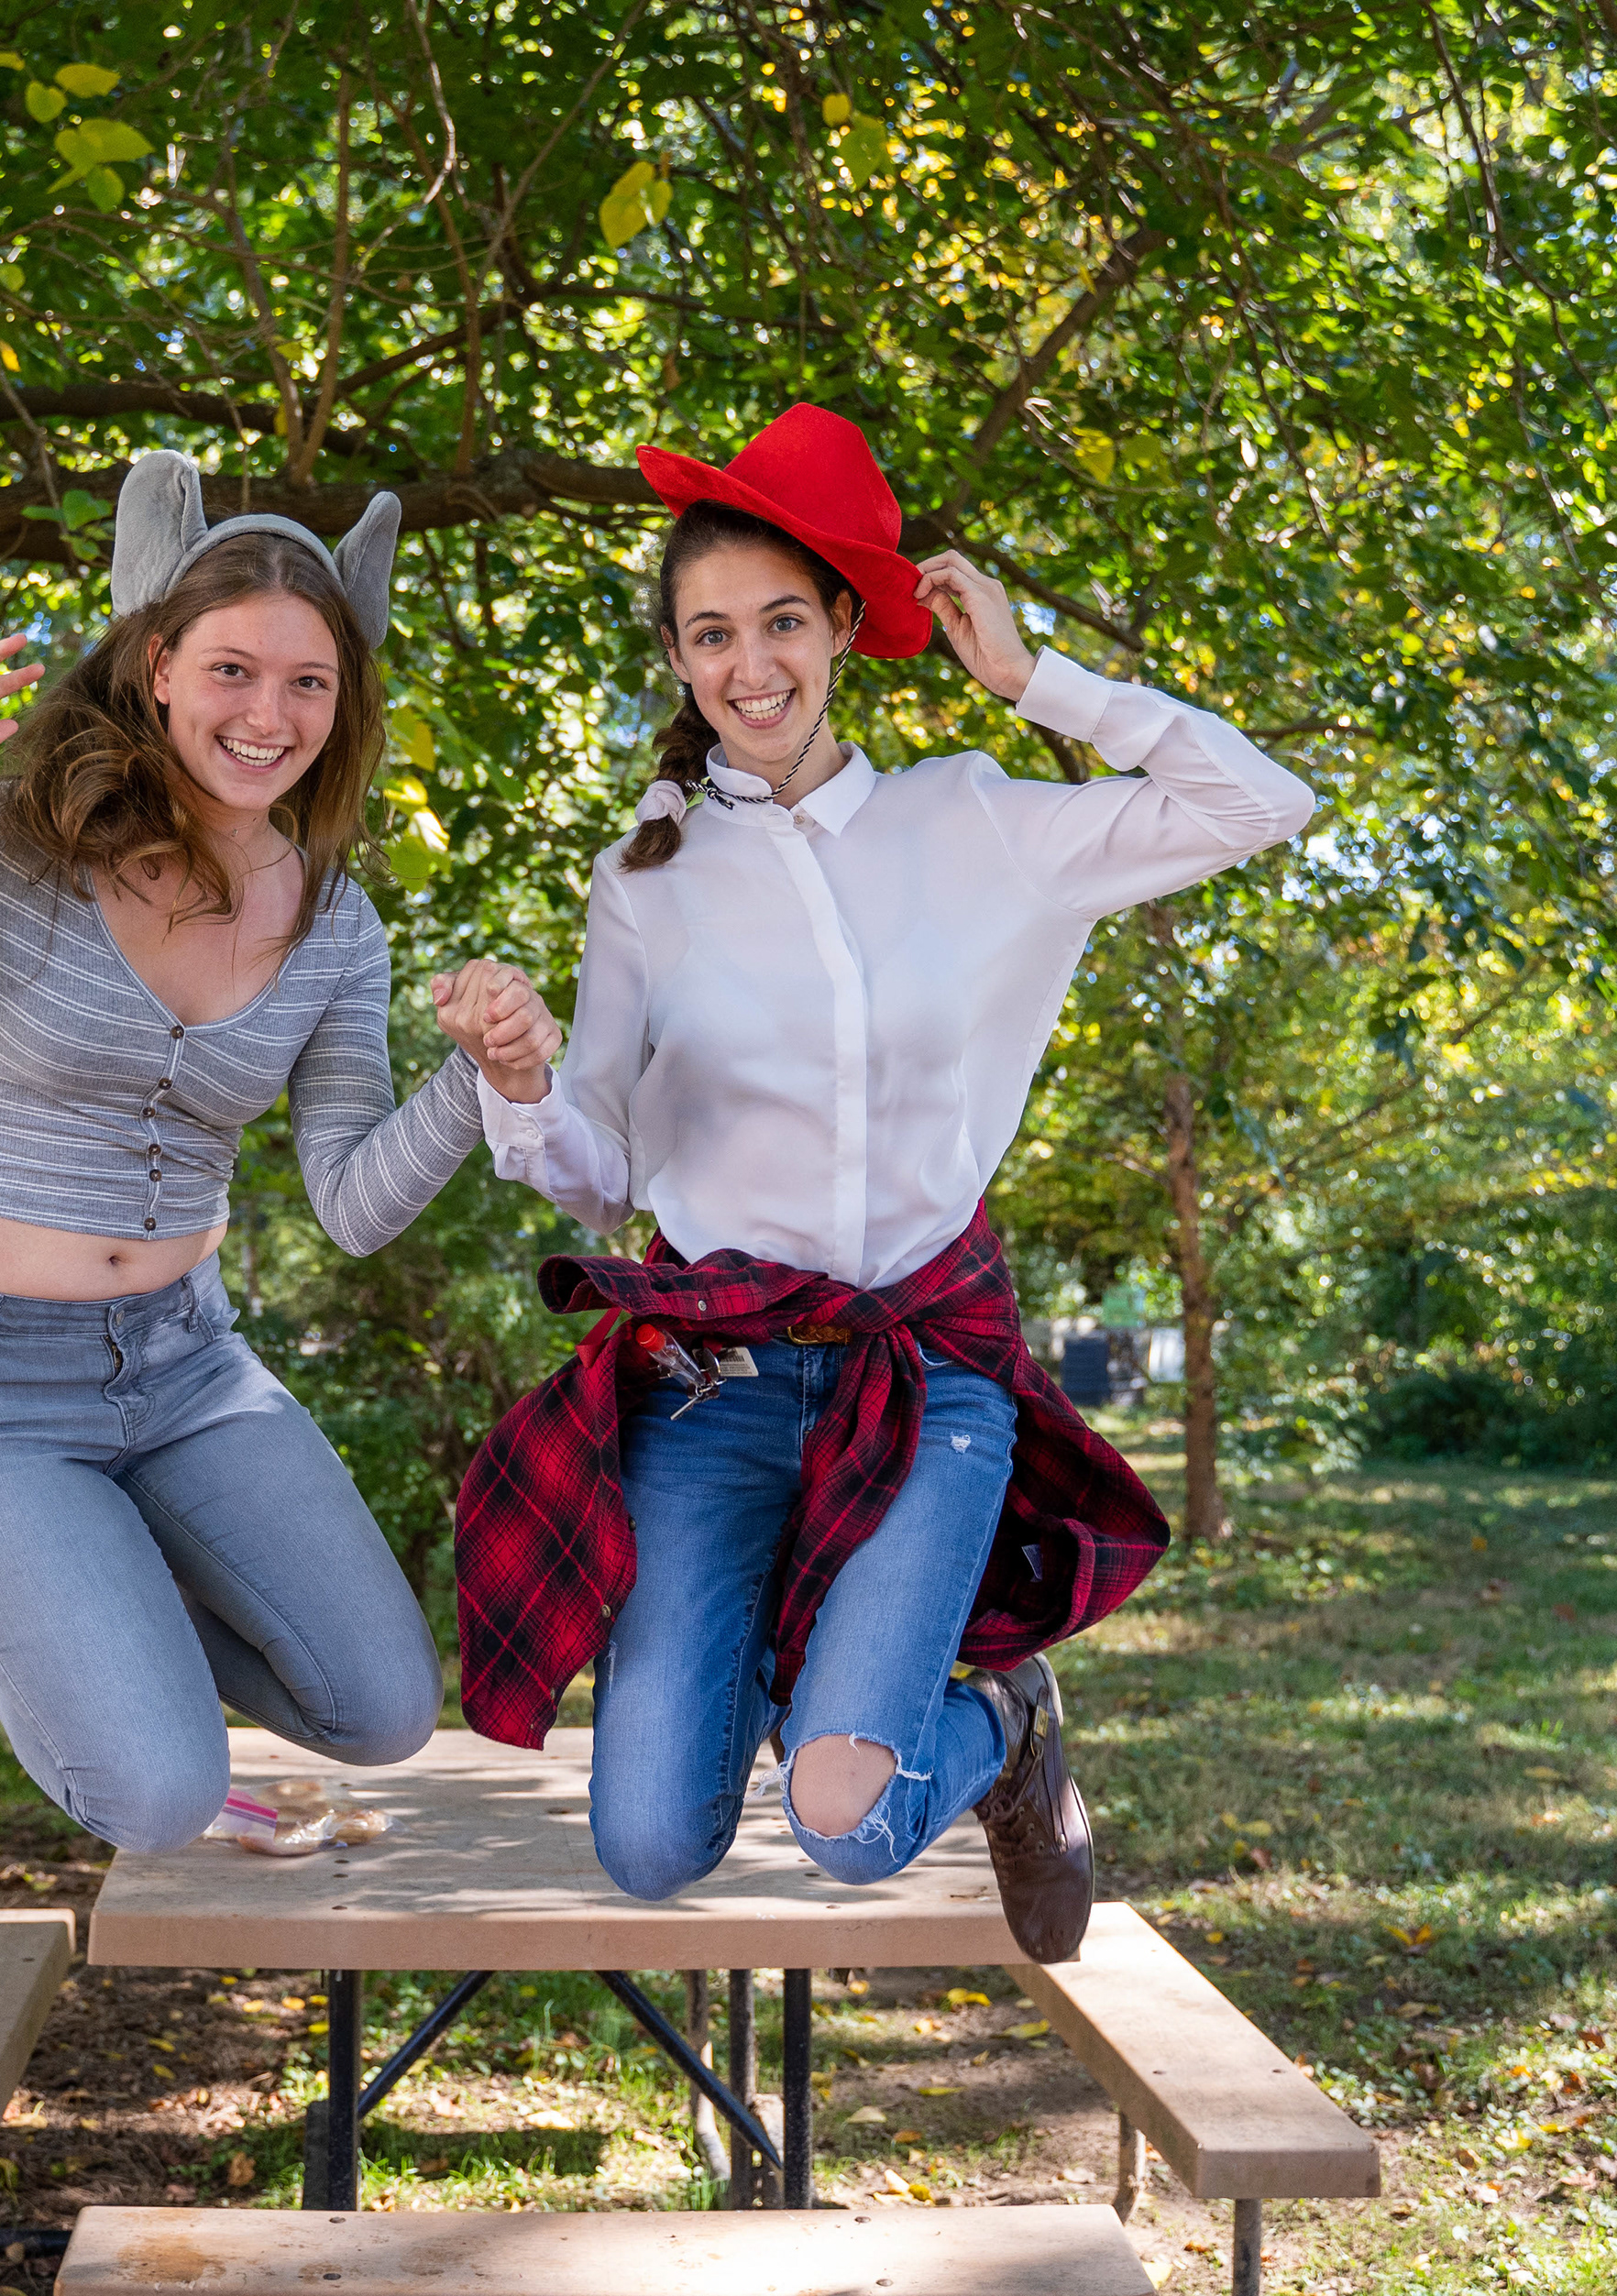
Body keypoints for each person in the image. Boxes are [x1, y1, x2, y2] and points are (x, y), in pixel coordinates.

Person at [440, 404, 1316, 1961]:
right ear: (680, 658)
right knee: (651, 1846)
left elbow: (1258, 804)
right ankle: (815, 1651)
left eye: (782, 620)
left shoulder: (970, 821)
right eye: (711, 634)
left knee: (848, 1829)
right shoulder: (648, 876)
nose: (749, 666)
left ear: (845, 625)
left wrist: (1035, 678)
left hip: (924, 1385)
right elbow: (605, 1174)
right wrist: (521, 1087)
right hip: (705, 1395)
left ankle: (1006, 1726)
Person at [0, 451, 557, 1853]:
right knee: (159, 1798)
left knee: (381, 1710)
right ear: (155, 664)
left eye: (308, 682)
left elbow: (354, 1206)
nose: (269, 716)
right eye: (233, 671)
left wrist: (479, 1077)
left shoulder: (337, 923)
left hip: (189, 1369)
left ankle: (48, 1598)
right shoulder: (2, 844)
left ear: (345, 698)